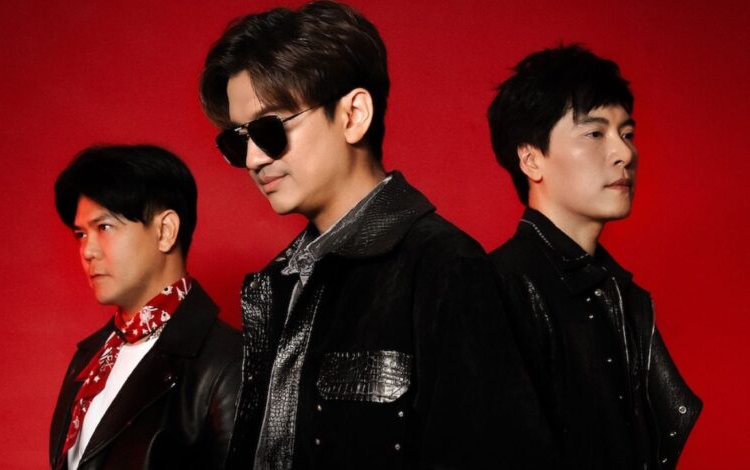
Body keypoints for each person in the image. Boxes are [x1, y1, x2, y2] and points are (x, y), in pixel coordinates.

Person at [199, 2, 554, 469]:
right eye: (236, 140)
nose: (252, 159)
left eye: (269, 129)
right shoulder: (277, 282)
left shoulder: (445, 266)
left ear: (354, 115)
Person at [486, 44, 702, 469]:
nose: (625, 153)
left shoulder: (623, 295)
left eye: (627, 133)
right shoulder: (495, 287)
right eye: (595, 134)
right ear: (531, 159)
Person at [49, 145, 242, 470]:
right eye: (81, 234)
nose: (87, 251)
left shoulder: (227, 361)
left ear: (165, 231)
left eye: (104, 227)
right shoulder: (90, 359)